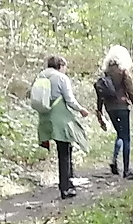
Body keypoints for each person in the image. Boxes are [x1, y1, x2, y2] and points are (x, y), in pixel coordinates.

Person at [35, 55, 90, 199]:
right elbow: (70, 100)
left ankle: (68, 181)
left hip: (45, 117)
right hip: (59, 118)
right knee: (64, 152)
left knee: (64, 150)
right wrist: (81, 109)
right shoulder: (61, 78)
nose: (65, 70)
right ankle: (65, 188)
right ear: (60, 66)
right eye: (65, 67)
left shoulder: (41, 76)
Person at [95, 45, 133, 179]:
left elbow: (100, 94)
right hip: (122, 106)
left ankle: (114, 160)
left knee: (119, 134)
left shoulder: (106, 73)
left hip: (110, 108)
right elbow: (131, 92)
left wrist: (99, 110)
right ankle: (126, 170)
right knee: (126, 137)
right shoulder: (123, 72)